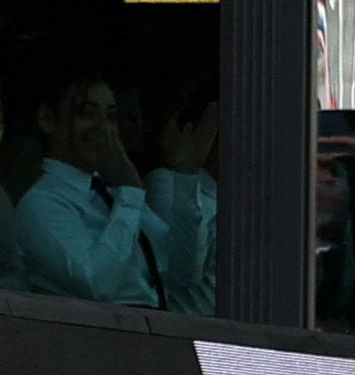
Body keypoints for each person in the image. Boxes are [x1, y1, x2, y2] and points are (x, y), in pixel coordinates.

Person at [13, 70, 217, 312]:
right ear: (47, 119)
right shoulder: (41, 202)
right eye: (87, 113)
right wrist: (129, 195)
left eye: (110, 117)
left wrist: (186, 175)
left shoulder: (114, 193)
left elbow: (184, 272)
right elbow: (97, 285)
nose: (104, 128)